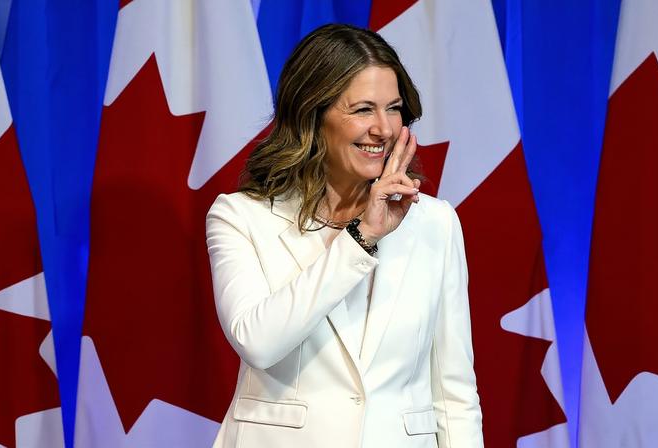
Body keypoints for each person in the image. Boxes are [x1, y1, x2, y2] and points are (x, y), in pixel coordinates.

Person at [206, 24, 482, 448]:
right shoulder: (241, 216)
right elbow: (258, 341)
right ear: (312, 115)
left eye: (394, 108)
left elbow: (454, 392)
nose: (384, 129)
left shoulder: (436, 222)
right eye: (363, 110)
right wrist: (363, 236)